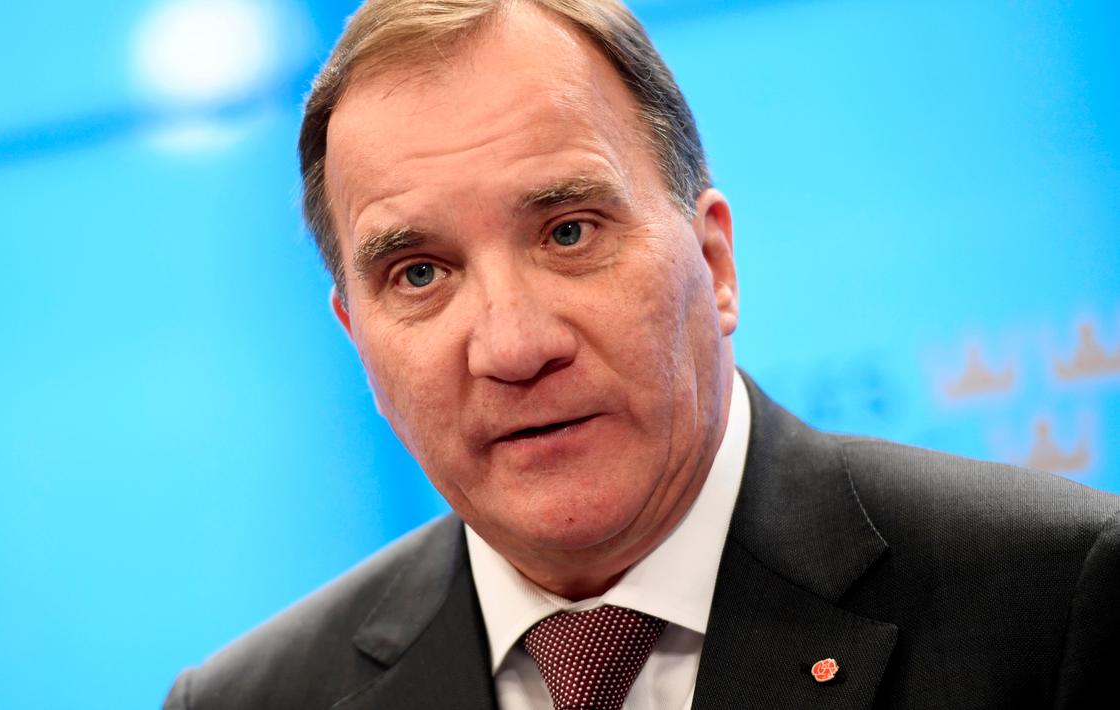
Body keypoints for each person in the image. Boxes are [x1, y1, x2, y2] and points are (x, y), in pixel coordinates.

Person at [164, 1, 1120, 707]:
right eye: (419, 274)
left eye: (569, 232)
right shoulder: (252, 700)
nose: (513, 346)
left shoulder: (1057, 599)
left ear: (715, 263)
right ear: (360, 345)